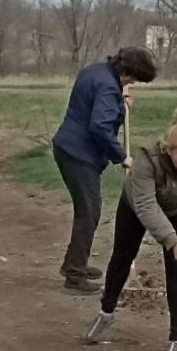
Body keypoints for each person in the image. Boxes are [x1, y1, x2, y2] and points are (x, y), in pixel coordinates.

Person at [83, 104, 177, 351]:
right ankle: (106, 312)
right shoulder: (147, 160)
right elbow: (146, 205)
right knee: (122, 257)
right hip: (136, 206)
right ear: (169, 150)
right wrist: (173, 241)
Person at [52, 47, 158, 293]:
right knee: (89, 212)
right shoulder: (109, 87)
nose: (133, 83)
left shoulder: (96, 71)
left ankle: (73, 264)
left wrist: (119, 102)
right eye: (133, 79)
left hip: (68, 147)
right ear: (127, 71)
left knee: (88, 210)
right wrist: (122, 157)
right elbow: (99, 126)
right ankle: (74, 276)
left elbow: (94, 102)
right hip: (78, 155)